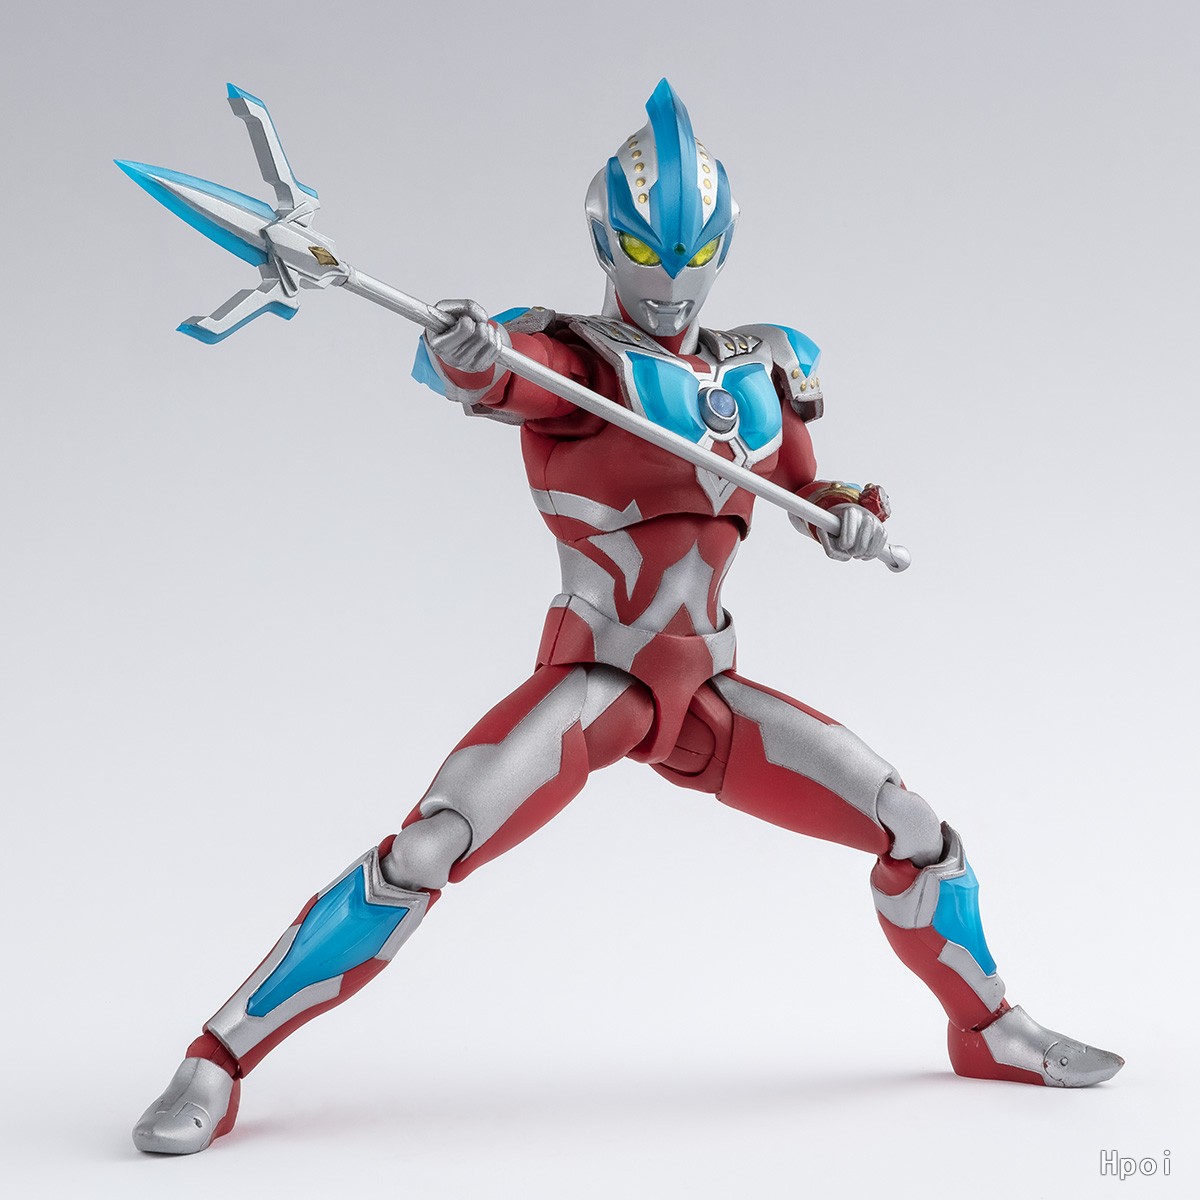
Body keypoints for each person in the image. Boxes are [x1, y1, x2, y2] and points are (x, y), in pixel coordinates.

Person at [133, 79, 1122, 1155]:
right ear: (607, 242)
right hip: (598, 682)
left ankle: (990, 1030)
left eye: (694, 258)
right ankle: (215, 1059)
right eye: (648, 256)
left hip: (710, 694)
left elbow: (805, 485)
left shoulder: (764, 369)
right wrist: (471, 349)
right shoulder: (567, 360)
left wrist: (849, 517)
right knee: (426, 847)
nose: (671, 283)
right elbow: (483, 372)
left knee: (915, 832)